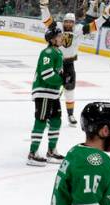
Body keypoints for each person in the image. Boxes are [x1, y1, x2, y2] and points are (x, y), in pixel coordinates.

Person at [40, 0, 108, 126]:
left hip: (69, 64)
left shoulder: (79, 29)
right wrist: (44, 7)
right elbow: (47, 20)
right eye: (66, 21)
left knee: (69, 90)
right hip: (56, 64)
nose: (68, 24)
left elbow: (94, 26)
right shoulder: (58, 28)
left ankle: (70, 114)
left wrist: (105, 16)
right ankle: (49, 113)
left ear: (74, 23)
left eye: (71, 22)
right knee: (53, 89)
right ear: (63, 21)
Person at [28, 26, 66, 166]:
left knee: (56, 120)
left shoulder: (58, 52)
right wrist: (62, 80)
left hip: (53, 93)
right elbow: (46, 74)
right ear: (52, 39)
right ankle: (32, 154)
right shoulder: (48, 52)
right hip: (44, 91)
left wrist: (64, 78)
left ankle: (51, 151)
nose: (62, 37)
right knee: (41, 120)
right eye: (59, 36)